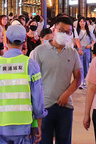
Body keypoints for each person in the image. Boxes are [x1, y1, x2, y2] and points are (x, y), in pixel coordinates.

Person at [0, 24, 46, 144]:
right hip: (23, 127)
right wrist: (37, 123)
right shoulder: (31, 65)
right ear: (24, 42)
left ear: (6, 40)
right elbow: (37, 100)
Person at [30, 16, 81, 144]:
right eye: (61, 30)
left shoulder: (72, 53)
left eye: (68, 32)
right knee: (44, 140)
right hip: (44, 107)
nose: (64, 34)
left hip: (65, 106)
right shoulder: (39, 51)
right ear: (54, 30)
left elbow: (78, 78)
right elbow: (33, 82)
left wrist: (66, 94)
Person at [75, 17, 94, 89]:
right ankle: (81, 81)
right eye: (80, 21)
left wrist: (90, 45)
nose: (82, 23)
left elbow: (94, 40)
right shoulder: (77, 31)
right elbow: (75, 41)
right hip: (79, 49)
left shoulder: (88, 31)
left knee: (86, 65)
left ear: (86, 22)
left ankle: (85, 80)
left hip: (87, 50)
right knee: (80, 66)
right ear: (78, 23)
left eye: (83, 21)